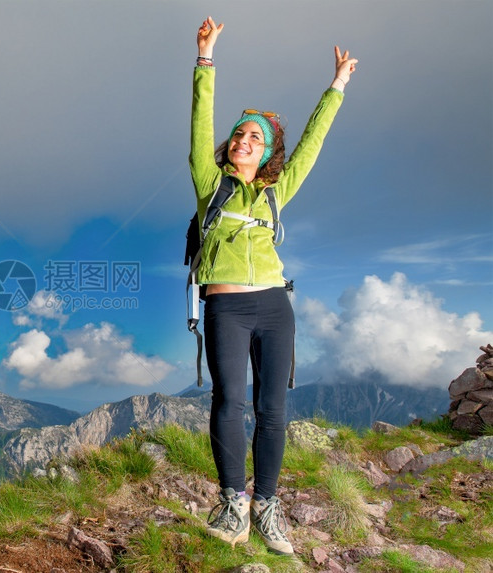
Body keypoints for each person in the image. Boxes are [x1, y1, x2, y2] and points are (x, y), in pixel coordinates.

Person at [189, 17, 357, 555]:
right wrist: (206, 60)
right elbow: (200, 121)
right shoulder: (208, 183)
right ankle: (233, 502)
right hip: (226, 310)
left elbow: (310, 144)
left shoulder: (276, 191)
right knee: (228, 400)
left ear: (266, 154)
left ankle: (267, 508)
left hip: (274, 306)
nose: (242, 140)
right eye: (239, 134)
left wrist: (335, 89)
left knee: (272, 410)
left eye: (255, 138)